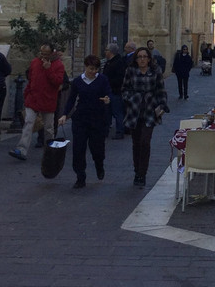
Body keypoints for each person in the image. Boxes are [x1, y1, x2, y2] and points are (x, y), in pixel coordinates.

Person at [57, 54, 112, 189]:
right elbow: (71, 99)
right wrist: (64, 114)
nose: (93, 72)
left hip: (97, 119)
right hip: (81, 118)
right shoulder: (77, 82)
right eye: (91, 69)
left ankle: (99, 165)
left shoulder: (102, 80)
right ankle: (80, 176)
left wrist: (107, 99)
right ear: (85, 67)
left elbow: (108, 93)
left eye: (96, 69)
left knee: (97, 148)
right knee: (78, 149)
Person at [122, 46, 168, 188]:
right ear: (136, 59)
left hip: (150, 111)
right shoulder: (130, 71)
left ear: (149, 59)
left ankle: (143, 173)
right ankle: (137, 171)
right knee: (136, 143)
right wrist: (131, 98)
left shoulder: (155, 71)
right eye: (139, 57)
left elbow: (161, 90)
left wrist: (162, 106)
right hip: (135, 111)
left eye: (144, 57)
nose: (142, 59)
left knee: (145, 142)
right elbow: (124, 89)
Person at [10, 42, 65, 161]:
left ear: (52, 53)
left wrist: (48, 69)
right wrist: (27, 94)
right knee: (28, 123)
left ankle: (50, 152)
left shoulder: (58, 65)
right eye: (42, 53)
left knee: (48, 129)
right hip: (33, 98)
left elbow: (58, 81)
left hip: (48, 100)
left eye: (46, 54)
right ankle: (21, 149)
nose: (43, 56)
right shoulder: (35, 62)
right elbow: (31, 78)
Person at [102, 43, 128, 139]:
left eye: (106, 50)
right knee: (107, 112)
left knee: (117, 112)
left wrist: (108, 82)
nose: (105, 52)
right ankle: (105, 130)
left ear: (111, 52)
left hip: (115, 91)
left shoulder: (118, 62)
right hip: (109, 91)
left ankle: (120, 131)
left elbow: (119, 78)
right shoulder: (109, 62)